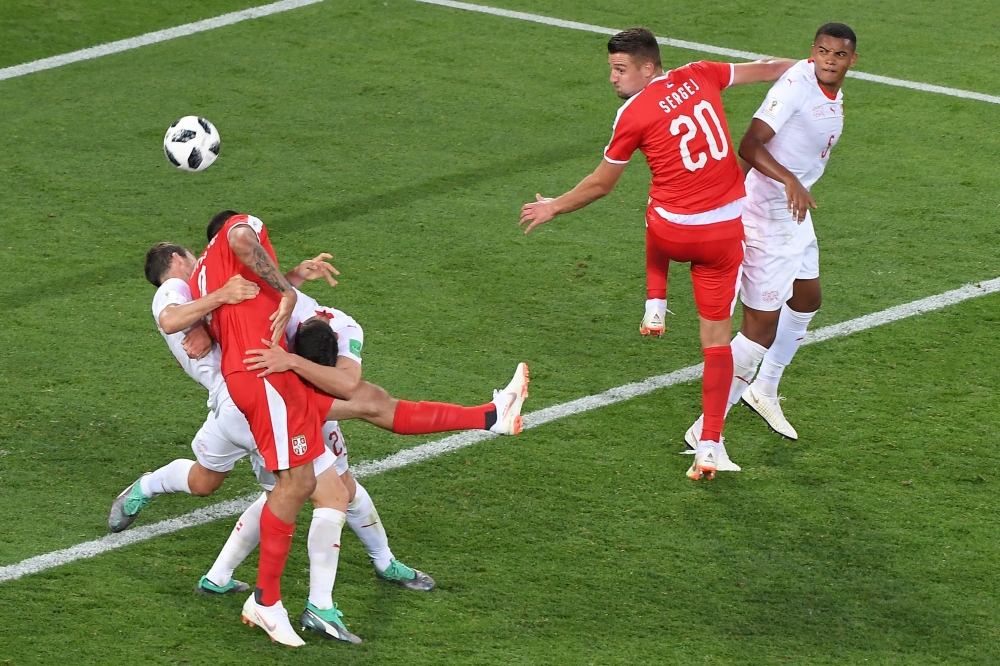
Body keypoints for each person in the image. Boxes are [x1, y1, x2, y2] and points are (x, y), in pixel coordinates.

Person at [519, 27, 795, 480]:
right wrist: (807, 70)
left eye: (619, 69)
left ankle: (656, 304)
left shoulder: (632, 113)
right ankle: (710, 444)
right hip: (723, 236)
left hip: (671, 235)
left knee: (656, 202)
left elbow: (601, 185)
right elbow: (765, 69)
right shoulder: (702, 73)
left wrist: (554, 206)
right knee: (716, 345)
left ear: (647, 67)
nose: (612, 78)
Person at [685, 23, 858, 445]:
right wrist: (789, 181)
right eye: (822, 51)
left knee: (806, 298)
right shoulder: (798, 87)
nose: (829, 61)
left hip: (794, 211)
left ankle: (764, 389)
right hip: (766, 212)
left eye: (838, 55)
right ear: (812, 51)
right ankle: (706, 433)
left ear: (852, 60)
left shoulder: (823, 83)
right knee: (760, 328)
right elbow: (750, 144)